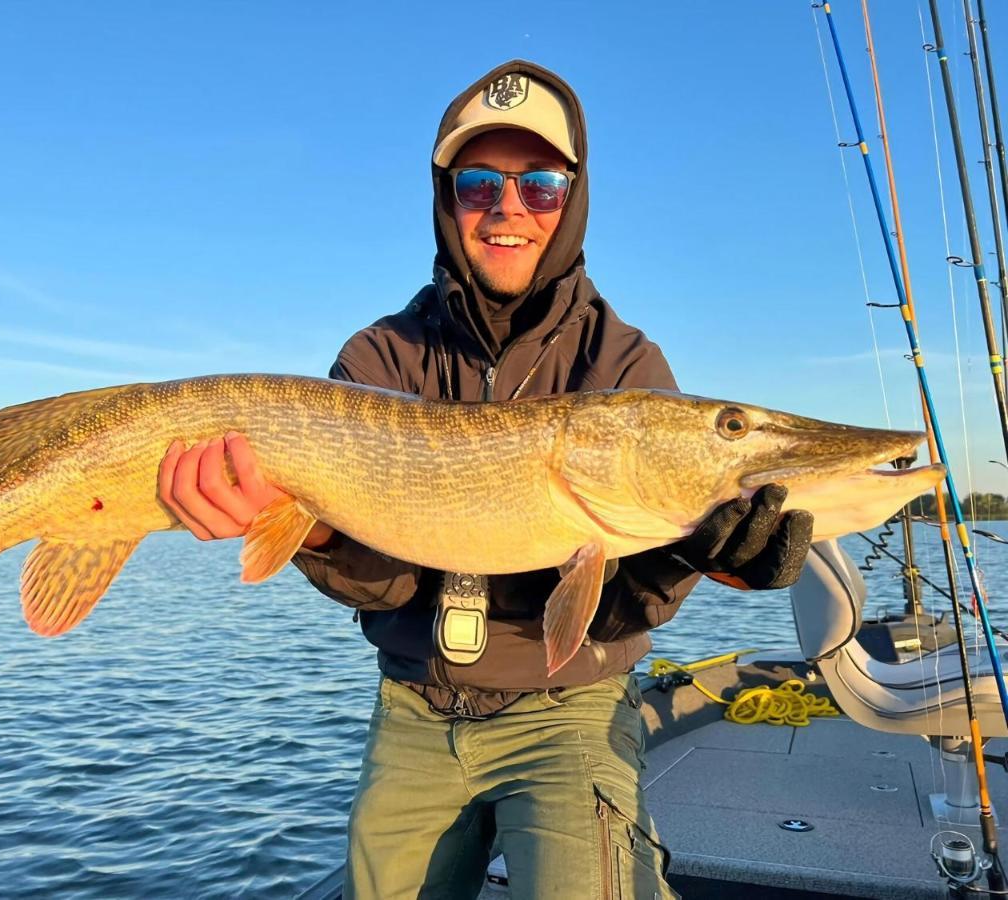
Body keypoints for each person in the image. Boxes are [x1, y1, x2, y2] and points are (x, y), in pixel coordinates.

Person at [158, 60, 814, 900]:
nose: (509, 208)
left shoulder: (625, 366)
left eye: (540, 185)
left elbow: (625, 602)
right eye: (479, 183)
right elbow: (387, 581)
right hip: (414, 710)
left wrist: (710, 554)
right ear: (446, 197)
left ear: (571, 199)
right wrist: (307, 528)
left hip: (571, 711)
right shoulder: (377, 360)